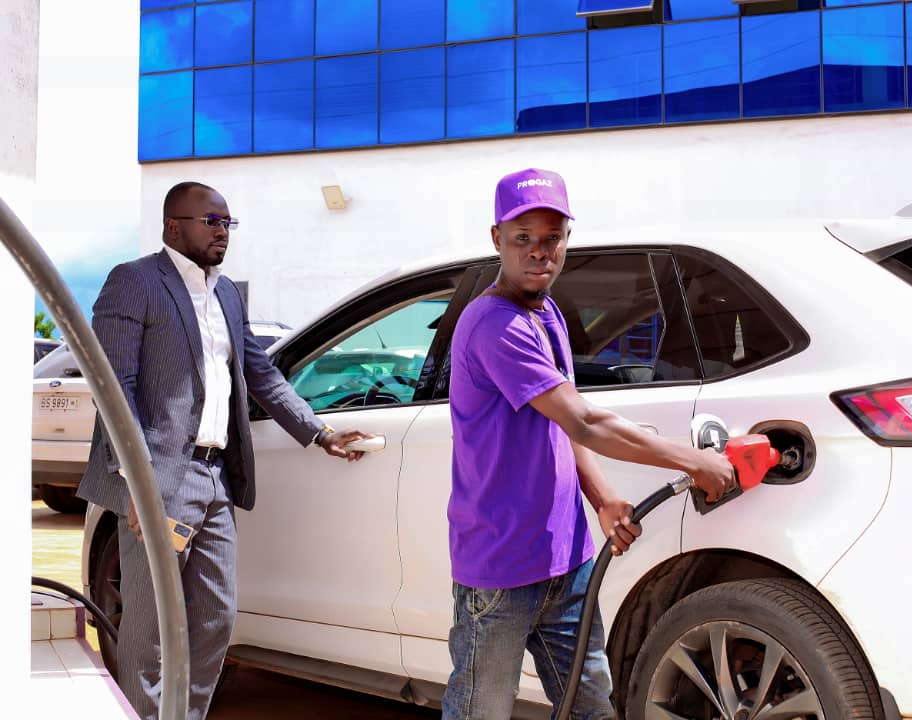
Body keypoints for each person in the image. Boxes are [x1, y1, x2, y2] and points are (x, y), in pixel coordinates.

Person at [443, 168, 737, 719]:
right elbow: (585, 422)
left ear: (567, 239)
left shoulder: (546, 311)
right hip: (502, 569)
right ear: (497, 239)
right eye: (522, 238)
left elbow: (560, 420)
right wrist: (694, 460)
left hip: (567, 561)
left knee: (591, 708)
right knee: (481, 711)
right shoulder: (494, 326)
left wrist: (601, 499)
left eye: (551, 237)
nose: (538, 251)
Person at [77, 181, 372, 720]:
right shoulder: (134, 281)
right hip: (159, 479)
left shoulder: (228, 293)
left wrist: (319, 432)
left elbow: (260, 372)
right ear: (173, 227)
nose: (223, 232)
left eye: (227, 222)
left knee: (216, 618)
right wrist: (136, 483)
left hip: (216, 479)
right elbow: (113, 388)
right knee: (150, 629)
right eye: (211, 221)